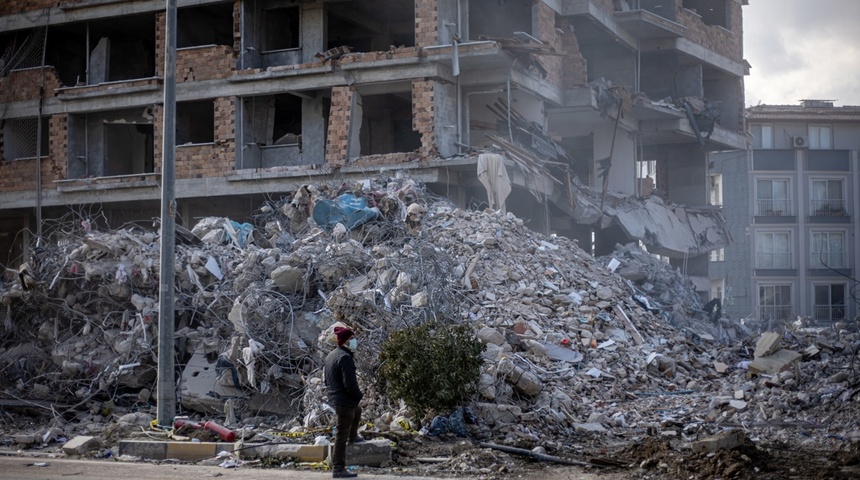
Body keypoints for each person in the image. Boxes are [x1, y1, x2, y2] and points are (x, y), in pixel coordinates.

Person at [324, 326, 364, 478]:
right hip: (344, 401)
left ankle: (353, 436)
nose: (354, 341)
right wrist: (358, 395)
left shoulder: (331, 355)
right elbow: (350, 384)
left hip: (336, 398)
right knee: (341, 435)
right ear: (346, 341)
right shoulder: (345, 358)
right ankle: (338, 469)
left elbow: (325, 379)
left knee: (358, 411)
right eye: (352, 338)